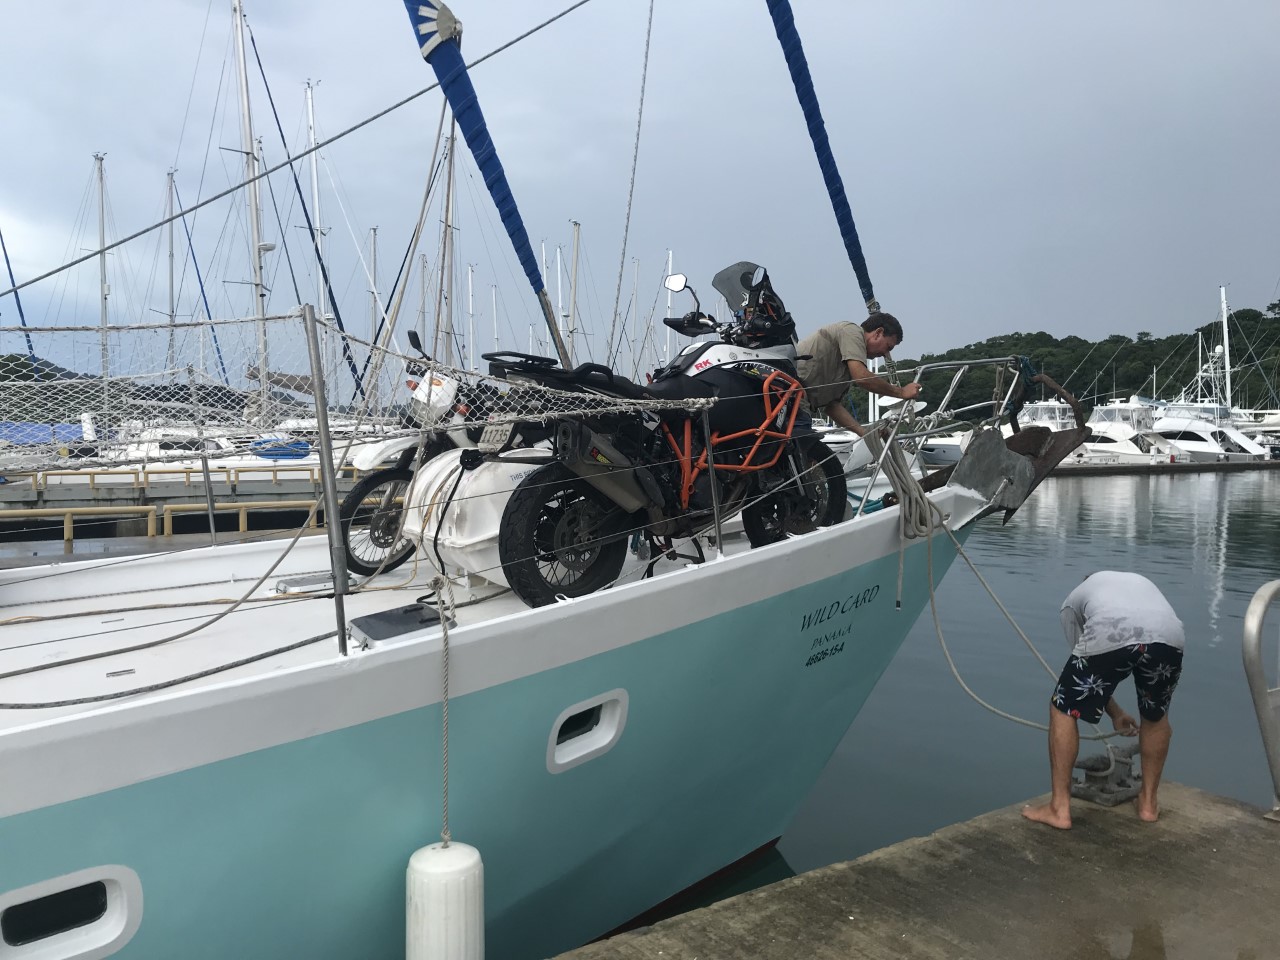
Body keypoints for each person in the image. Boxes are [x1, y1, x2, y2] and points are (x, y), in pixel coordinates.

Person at [1022, 571, 1185, 830]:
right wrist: (1116, 713)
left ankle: (1059, 809)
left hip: (1112, 627)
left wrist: (1107, 708)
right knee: (1156, 715)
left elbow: (1089, 679)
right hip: (1169, 635)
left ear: (1083, 582)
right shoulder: (1137, 583)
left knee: (1063, 707)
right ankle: (1148, 805)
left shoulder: (1073, 602)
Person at [794, 313, 921, 437]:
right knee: (805, 453)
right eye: (888, 347)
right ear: (878, 333)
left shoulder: (847, 367)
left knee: (813, 454)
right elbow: (862, 377)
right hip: (789, 401)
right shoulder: (851, 331)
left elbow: (832, 406)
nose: (885, 354)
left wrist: (864, 433)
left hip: (797, 406)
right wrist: (901, 392)